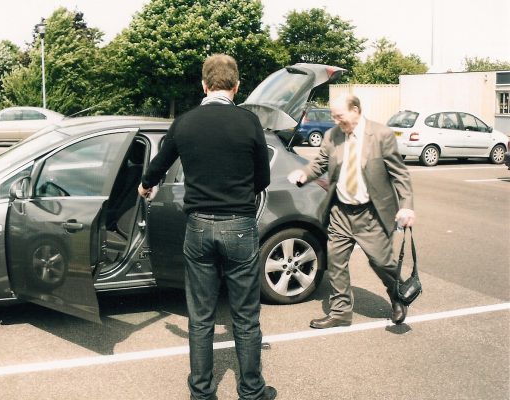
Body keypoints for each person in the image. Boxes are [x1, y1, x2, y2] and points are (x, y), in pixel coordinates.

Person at [138, 54, 277, 400]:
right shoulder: (249, 123)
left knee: (200, 316)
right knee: (245, 316)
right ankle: (251, 390)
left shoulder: (185, 122)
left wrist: (145, 185)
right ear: (236, 86)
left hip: (198, 227)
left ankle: (201, 392)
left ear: (204, 85)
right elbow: (264, 177)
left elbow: (157, 166)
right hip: (240, 226)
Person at [287, 94, 415, 329]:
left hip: (371, 213)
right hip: (340, 212)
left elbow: (400, 174)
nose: (337, 121)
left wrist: (406, 206)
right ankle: (340, 312)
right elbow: (320, 163)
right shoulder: (332, 135)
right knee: (336, 263)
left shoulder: (381, 135)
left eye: (340, 116)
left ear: (356, 110)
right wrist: (305, 174)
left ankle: (397, 295)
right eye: (334, 116)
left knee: (382, 262)